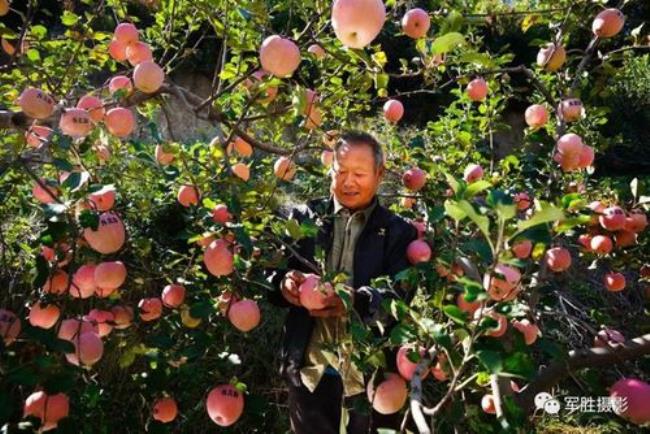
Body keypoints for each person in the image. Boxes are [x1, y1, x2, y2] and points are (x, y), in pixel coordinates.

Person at [266, 131, 418, 434]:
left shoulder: (398, 232)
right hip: (310, 372)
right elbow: (270, 273)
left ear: (379, 174)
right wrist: (284, 283)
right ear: (330, 170)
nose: (348, 182)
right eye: (341, 172)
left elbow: (400, 293)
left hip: (371, 377)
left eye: (359, 174)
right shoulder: (303, 219)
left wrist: (357, 301)